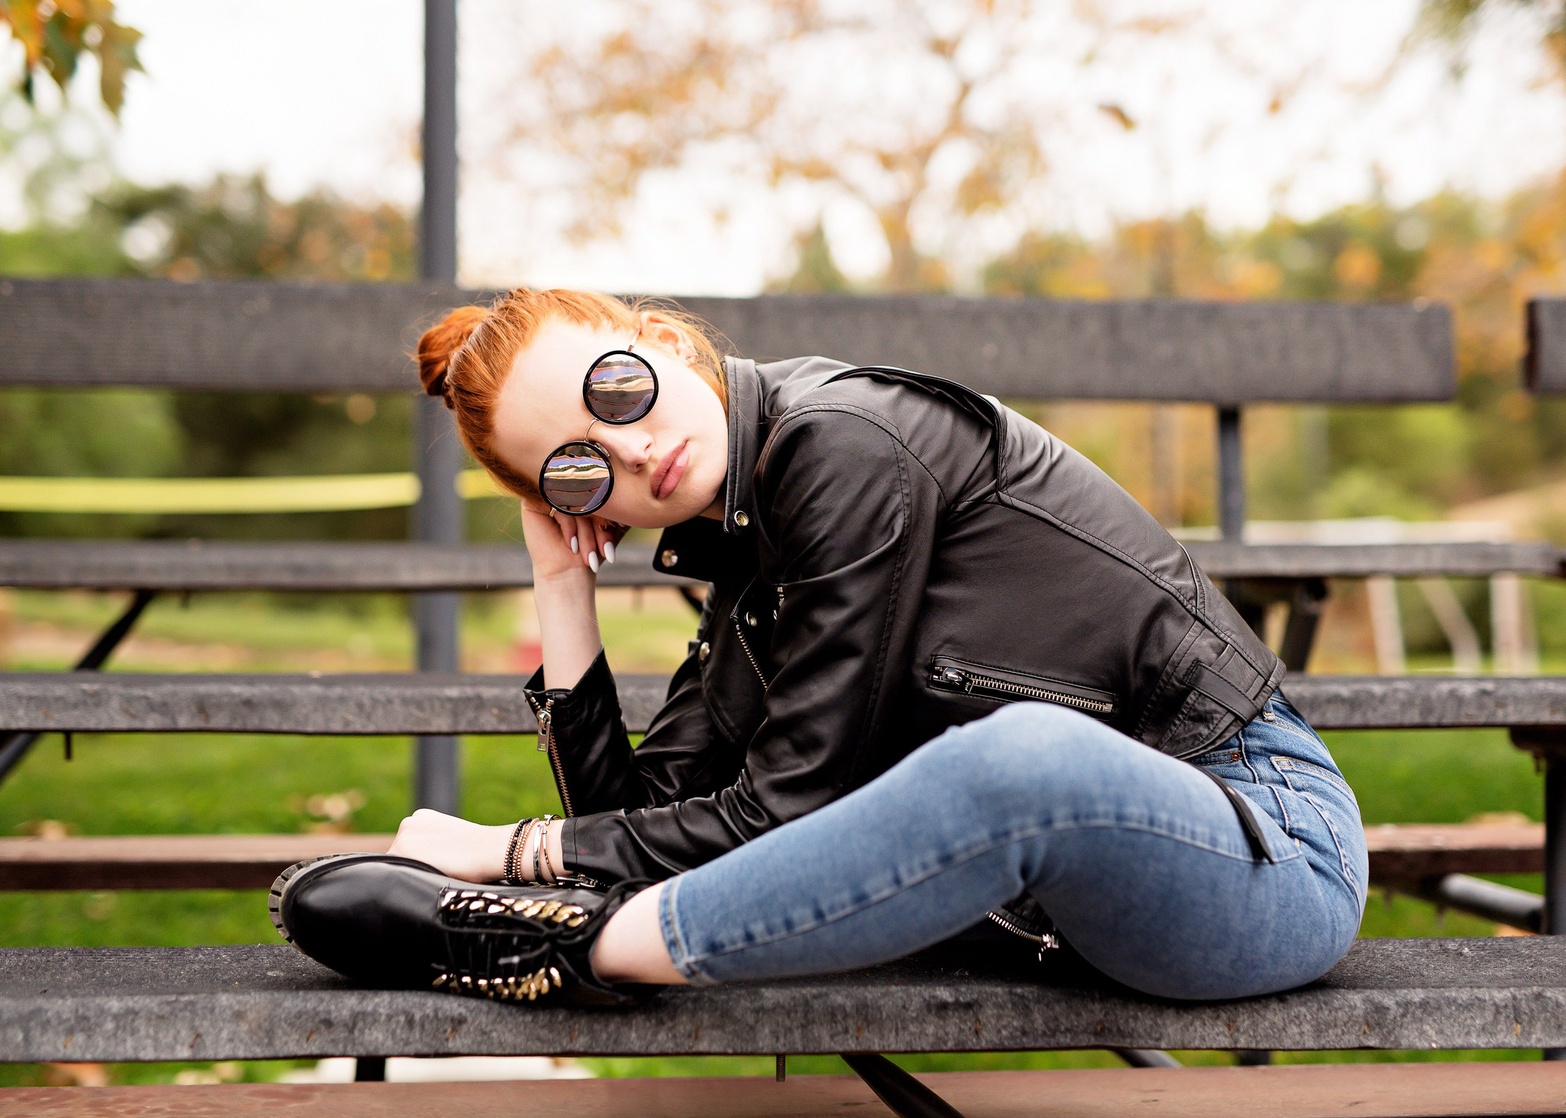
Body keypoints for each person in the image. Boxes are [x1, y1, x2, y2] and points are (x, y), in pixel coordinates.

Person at [272, 287, 1367, 1007]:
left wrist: (514, 853)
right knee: (999, 769)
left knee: (1020, 758)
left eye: (619, 390)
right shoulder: (749, 553)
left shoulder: (839, 442)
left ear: (659, 338)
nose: (630, 446)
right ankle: (554, 935)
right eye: (575, 468)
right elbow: (644, 809)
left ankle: (570, 953)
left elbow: (782, 809)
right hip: (1059, 911)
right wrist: (562, 589)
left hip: (1263, 849)